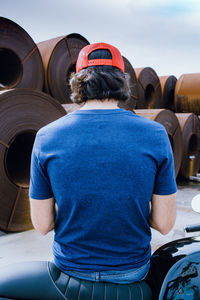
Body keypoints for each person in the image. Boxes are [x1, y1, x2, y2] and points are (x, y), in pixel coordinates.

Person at [0, 42, 177, 300]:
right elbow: (164, 223)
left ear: (77, 83)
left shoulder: (46, 137)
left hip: (71, 269)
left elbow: (42, 224)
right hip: (132, 272)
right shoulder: (155, 135)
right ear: (122, 83)